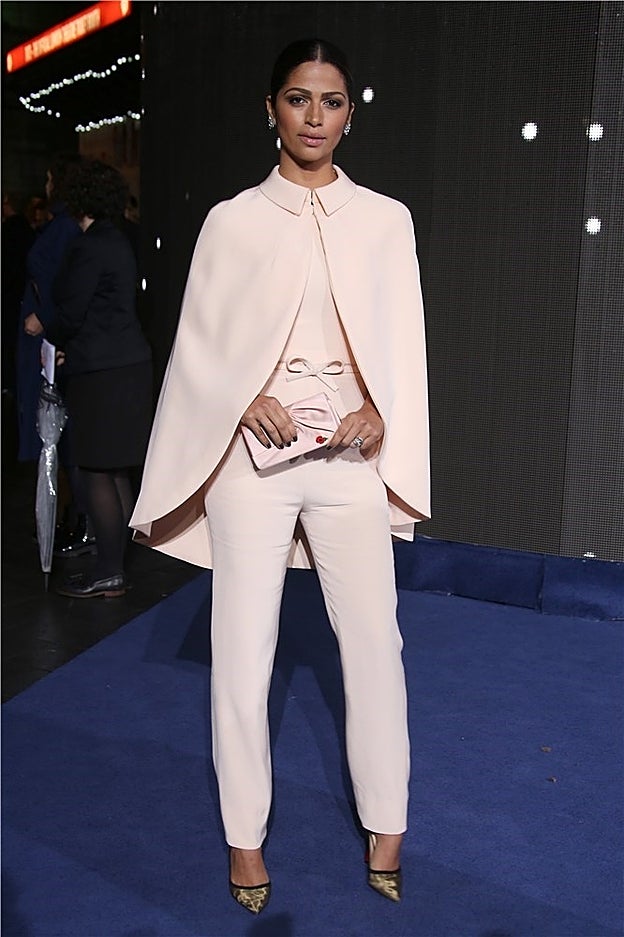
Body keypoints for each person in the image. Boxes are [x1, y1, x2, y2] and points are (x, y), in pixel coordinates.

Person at [130, 38, 430, 913]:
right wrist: (242, 394)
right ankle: (245, 836)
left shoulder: (387, 219)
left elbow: (403, 346)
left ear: (349, 114)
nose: (313, 117)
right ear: (271, 109)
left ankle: (387, 818)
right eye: (298, 99)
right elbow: (197, 343)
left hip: (348, 459)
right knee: (242, 650)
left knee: (375, 643)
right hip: (251, 468)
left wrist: (381, 411)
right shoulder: (232, 220)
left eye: (330, 101)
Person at [45, 158, 153, 598]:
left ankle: (109, 571)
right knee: (115, 471)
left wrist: (45, 327)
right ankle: (115, 564)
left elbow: (70, 312)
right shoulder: (117, 239)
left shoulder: (89, 246)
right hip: (127, 366)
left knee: (94, 471)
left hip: (101, 371)